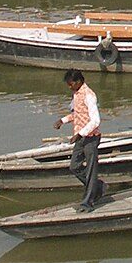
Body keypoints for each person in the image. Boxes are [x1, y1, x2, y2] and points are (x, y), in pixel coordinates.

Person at [55, 69, 105, 211]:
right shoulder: (76, 94)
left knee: (90, 170)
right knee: (74, 166)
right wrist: (62, 120)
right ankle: (98, 186)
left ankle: (87, 203)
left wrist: (80, 134)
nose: (69, 87)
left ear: (78, 82)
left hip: (90, 138)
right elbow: (77, 114)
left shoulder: (89, 95)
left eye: (71, 84)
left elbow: (95, 121)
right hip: (80, 137)